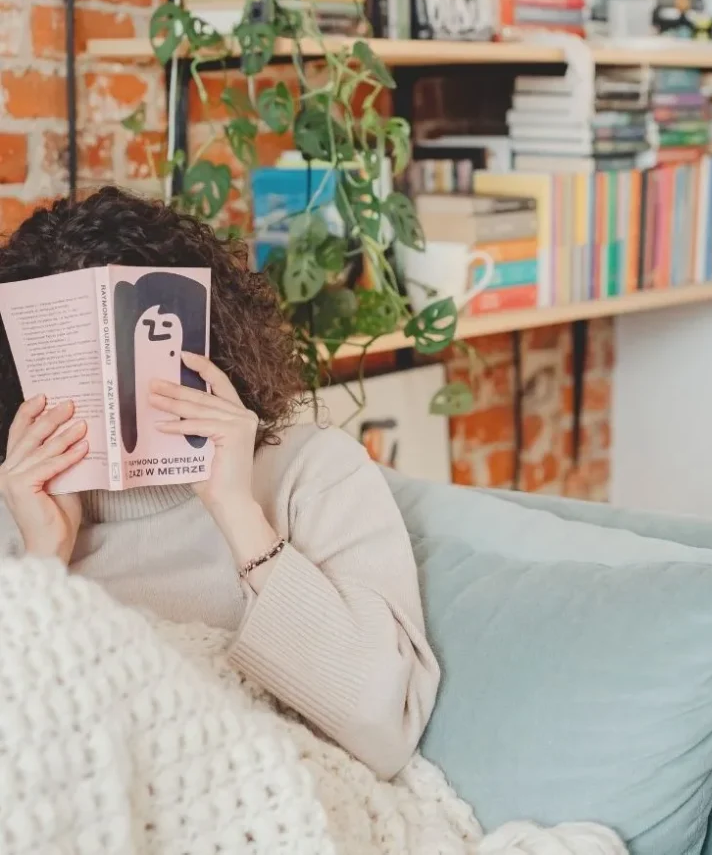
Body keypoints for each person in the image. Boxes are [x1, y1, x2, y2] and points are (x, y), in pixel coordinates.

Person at [0, 186, 439, 780]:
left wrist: (236, 510)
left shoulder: (313, 471)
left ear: (210, 334)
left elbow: (386, 728)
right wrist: (44, 559)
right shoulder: (19, 505)